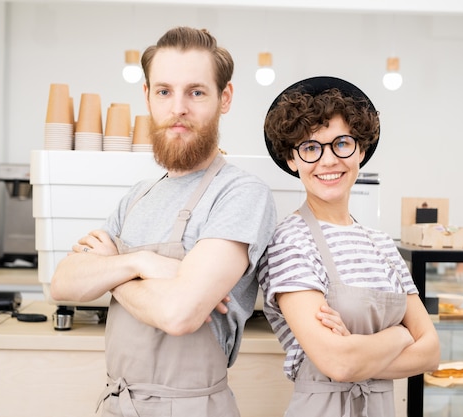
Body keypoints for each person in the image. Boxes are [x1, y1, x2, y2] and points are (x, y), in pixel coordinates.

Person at [50, 26, 276, 417]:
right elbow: (63, 283)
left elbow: (180, 314)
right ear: (148, 98)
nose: (178, 109)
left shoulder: (240, 194)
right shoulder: (137, 196)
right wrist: (141, 264)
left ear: (225, 98)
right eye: (164, 91)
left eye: (196, 92)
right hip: (117, 404)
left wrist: (112, 272)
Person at [259, 76, 440, 417]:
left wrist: (359, 352)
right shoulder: (289, 241)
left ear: (361, 150)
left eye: (341, 143)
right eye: (310, 148)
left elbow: (431, 352)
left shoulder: (383, 244)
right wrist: (399, 336)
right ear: (292, 160)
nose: (328, 161)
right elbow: (337, 363)